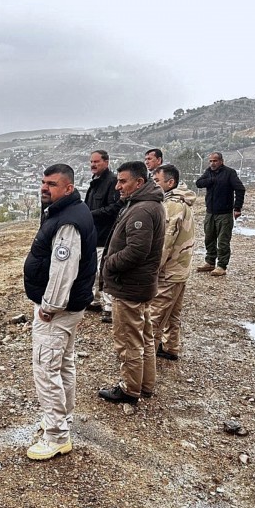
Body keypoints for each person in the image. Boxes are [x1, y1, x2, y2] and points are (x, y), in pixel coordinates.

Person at [23, 164, 97, 460]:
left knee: (46, 369)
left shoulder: (68, 222)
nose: (45, 188)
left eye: (52, 184)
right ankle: (61, 419)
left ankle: (56, 436)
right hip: (68, 309)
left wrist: (49, 308)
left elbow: (63, 271)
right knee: (63, 364)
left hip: (57, 311)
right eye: (43, 182)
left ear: (68, 188)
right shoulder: (67, 212)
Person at [98, 160, 165, 405]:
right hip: (140, 285)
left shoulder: (142, 210)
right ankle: (144, 384)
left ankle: (129, 388)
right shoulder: (145, 204)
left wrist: (109, 263)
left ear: (139, 182)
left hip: (129, 287)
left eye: (123, 181)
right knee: (144, 337)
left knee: (128, 340)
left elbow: (137, 250)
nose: (117, 186)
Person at [150, 165, 196, 361]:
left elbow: (165, 243)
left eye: (157, 181)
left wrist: (152, 269)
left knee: (154, 318)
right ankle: (170, 347)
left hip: (169, 271)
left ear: (170, 183)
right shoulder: (181, 201)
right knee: (173, 315)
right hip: (180, 269)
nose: (154, 185)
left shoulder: (172, 206)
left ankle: (145, 360)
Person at [84, 150, 122, 322]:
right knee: (92, 269)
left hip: (105, 235)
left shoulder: (112, 182)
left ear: (106, 162)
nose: (93, 165)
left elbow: (114, 208)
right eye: (91, 161)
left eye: (96, 161)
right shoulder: (95, 182)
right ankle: (95, 300)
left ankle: (108, 306)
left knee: (104, 271)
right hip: (93, 234)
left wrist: (90, 214)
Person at [195, 152, 246, 277]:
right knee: (209, 238)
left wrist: (237, 207)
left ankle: (222, 266)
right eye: (211, 161)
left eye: (215, 161)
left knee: (223, 241)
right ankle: (210, 261)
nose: (212, 163)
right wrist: (211, 180)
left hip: (224, 213)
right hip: (210, 212)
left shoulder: (229, 173)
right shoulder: (209, 172)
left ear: (221, 161)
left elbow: (240, 189)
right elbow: (199, 183)